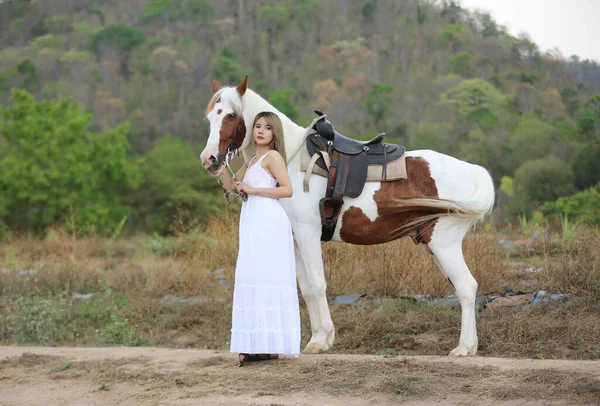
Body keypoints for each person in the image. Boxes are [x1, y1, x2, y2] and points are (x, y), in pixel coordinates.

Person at [218, 111, 301, 366]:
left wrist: (253, 189)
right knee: (251, 277)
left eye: (267, 127)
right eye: (257, 126)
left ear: (274, 133)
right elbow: (232, 187)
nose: (261, 131)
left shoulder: (273, 157)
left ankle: (270, 345)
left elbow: (287, 190)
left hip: (269, 222)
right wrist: (219, 166)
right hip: (252, 221)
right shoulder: (252, 159)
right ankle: (258, 344)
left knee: (267, 277)